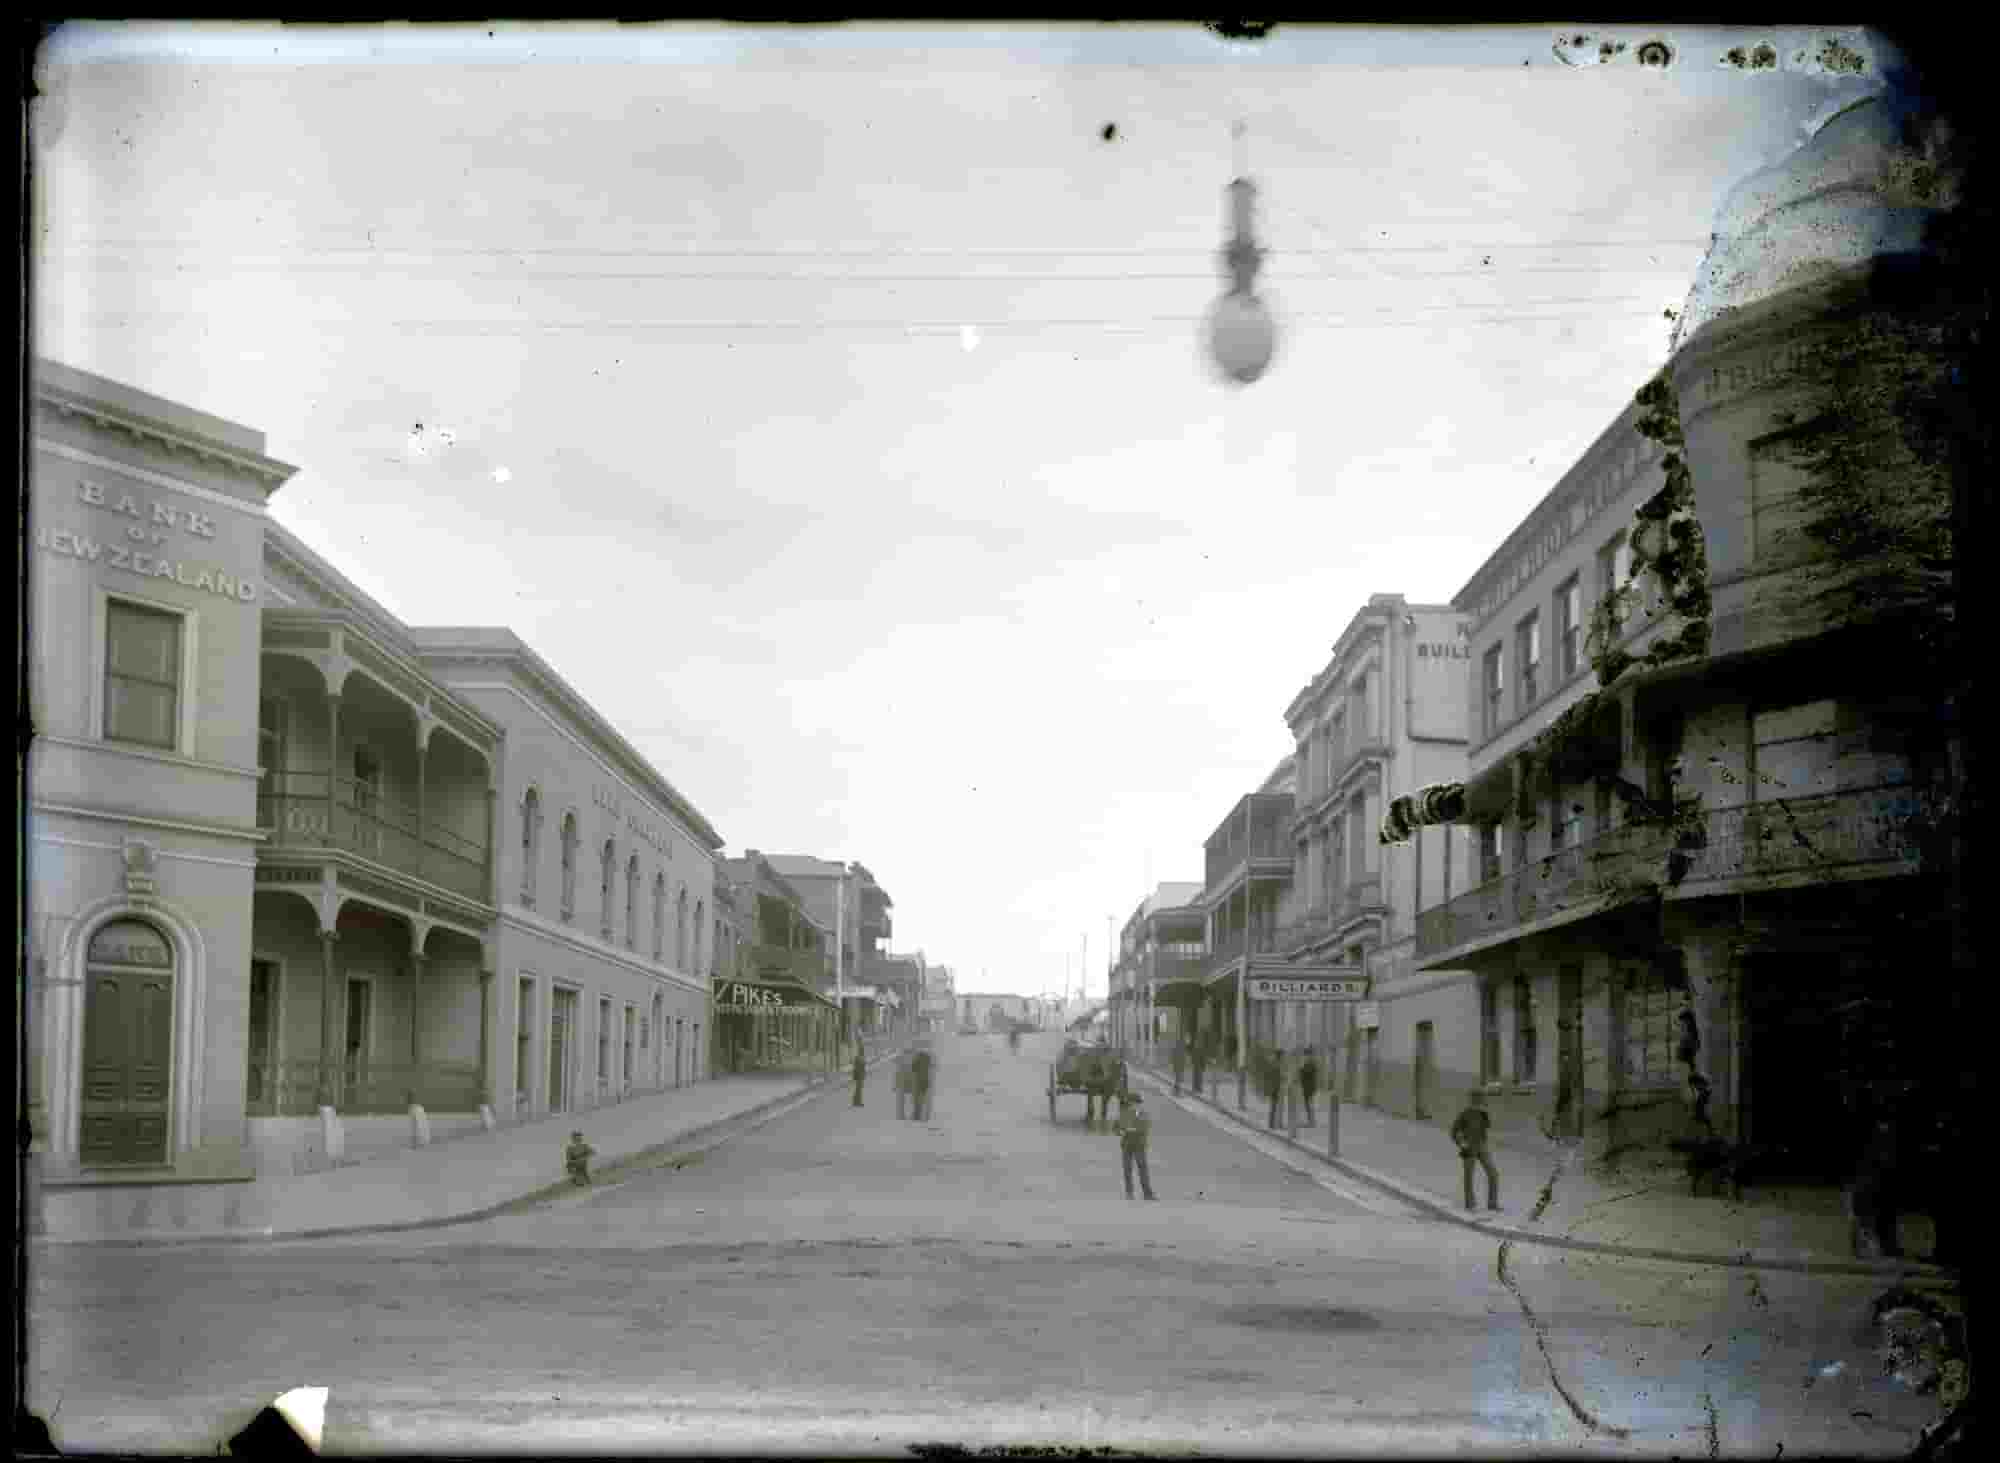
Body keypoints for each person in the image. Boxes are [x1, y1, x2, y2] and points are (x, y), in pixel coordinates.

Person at [1450, 1090, 1502, 1213]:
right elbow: (1454, 1131)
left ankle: (1492, 1203)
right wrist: (1462, 1144)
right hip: (1469, 1147)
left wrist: (1486, 1114)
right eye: (1479, 1099)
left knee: (1493, 1174)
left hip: (1482, 1146)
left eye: (1482, 1099)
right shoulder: (1465, 1114)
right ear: (1473, 1100)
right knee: (1469, 1176)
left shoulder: (1483, 1113)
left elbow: (1487, 1128)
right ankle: (1470, 1204)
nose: (1481, 1101)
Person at [1115, 1090, 1157, 1200]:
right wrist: (1119, 1131)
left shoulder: (1144, 1114)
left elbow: (1143, 1128)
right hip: (1127, 1145)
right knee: (1127, 1169)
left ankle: (1147, 1193)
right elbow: (1116, 1127)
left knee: (1142, 1168)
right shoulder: (1124, 1113)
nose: (1134, 1105)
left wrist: (1127, 1130)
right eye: (1132, 1103)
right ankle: (1129, 1192)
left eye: (1136, 1103)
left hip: (1139, 1145)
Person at [910, 1045, 934, 1122]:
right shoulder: (928, 1058)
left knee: (917, 1099)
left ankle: (917, 1115)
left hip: (918, 1080)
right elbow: (931, 1067)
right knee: (924, 1099)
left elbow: (913, 1068)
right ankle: (925, 1116)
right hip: (926, 1081)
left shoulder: (917, 1058)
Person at [1299, 1048, 1321, 1127]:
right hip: (1306, 1087)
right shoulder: (1307, 1063)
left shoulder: (1311, 1063)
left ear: (1310, 1055)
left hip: (1310, 1087)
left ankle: (1312, 1122)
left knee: (1309, 1104)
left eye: (1306, 1055)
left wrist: (1301, 1069)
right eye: (1305, 1055)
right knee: (1308, 1105)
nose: (1305, 1056)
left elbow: (1306, 1072)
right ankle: (1310, 1121)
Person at [893, 1049, 913, 1120]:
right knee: (912, 1100)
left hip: (902, 1082)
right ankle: (911, 1114)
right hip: (909, 1082)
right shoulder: (914, 1058)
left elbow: (897, 1073)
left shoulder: (900, 1058)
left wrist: (895, 1085)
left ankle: (900, 1115)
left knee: (901, 1101)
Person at [850, 1041, 867, 1108]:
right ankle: (857, 1102)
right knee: (858, 1089)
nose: (863, 1052)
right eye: (862, 1050)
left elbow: (862, 1067)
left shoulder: (860, 1058)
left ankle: (857, 1101)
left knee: (859, 1089)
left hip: (860, 1076)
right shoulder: (858, 1058)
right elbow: (857, 1068)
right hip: (859, 1076)